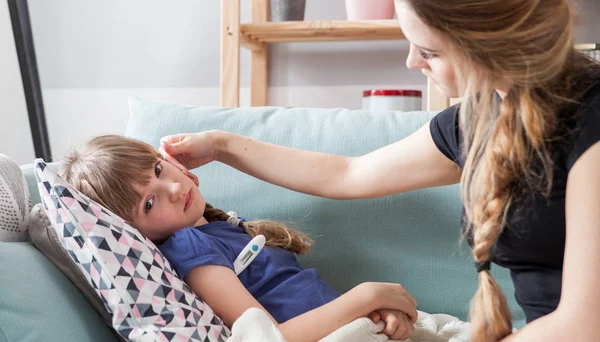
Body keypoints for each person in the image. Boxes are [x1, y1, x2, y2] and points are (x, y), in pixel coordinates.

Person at [158, 0, 600, 341]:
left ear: (489, 43)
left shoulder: (589, 122)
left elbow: (584, 324)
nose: (412, 61)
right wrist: (222, 144)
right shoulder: (480, 119)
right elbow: (347, 174)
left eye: (427, 50)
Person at [60, 135, 419, 342]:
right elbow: (268, 338)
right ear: (134, 231)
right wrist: (366, 297)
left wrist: (377, 313)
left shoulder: (220, 228)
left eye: (158, 169)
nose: (171, 187)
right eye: (149, 203)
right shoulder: (191, 247)